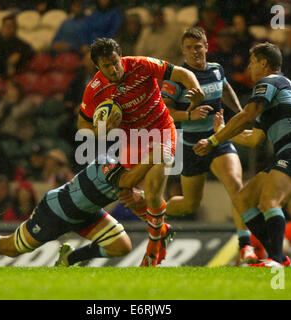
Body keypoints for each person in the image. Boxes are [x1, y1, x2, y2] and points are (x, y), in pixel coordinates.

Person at [77, 37, 204, 266]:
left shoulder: (141, 64)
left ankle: (153, 251)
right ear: (97, 66)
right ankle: (161, 228)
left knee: (154, 192)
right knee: (125, 192)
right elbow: (83, 128)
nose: (114, 68)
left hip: (161, 131)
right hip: (131, 140)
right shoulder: (94, 90)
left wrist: (197, 91)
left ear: (120, 55)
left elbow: (182, 74)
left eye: (115, 62)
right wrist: (102, 129)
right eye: (107, 66)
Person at [195, 42, 291, 267]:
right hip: (288, 153)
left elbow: (246, 116)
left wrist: (214, 140)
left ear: (264, 63)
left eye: (252, 62)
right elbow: (253, 138)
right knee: (243, 200)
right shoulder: (274, 95)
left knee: (269, 200)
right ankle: (279, 257)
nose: (249, 68)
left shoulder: (270, 81)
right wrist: (223, 132)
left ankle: (275, 259)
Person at [0, 152, 168, 267]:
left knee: (121, 246)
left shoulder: (130, 172)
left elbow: (139, 196)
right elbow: (126, 186)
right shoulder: (108, 162)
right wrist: (154, 157)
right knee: (12, 248)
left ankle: (69, 258)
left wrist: (154, 216)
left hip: (86, 213)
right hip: (56, 211)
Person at [160, 27, 257, 264]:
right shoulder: (177, 77)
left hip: (218, 139)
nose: (194, 52)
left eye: (198, 47)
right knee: (189, 204)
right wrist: (190, 116)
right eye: (189, 48)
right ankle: (154, 209)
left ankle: (245, 247)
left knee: (236, 186)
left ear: (206, 46)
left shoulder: (216, 69)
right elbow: (165, 113)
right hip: (191, 146)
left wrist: (240, 112)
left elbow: (225, 88)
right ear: (183, 51)